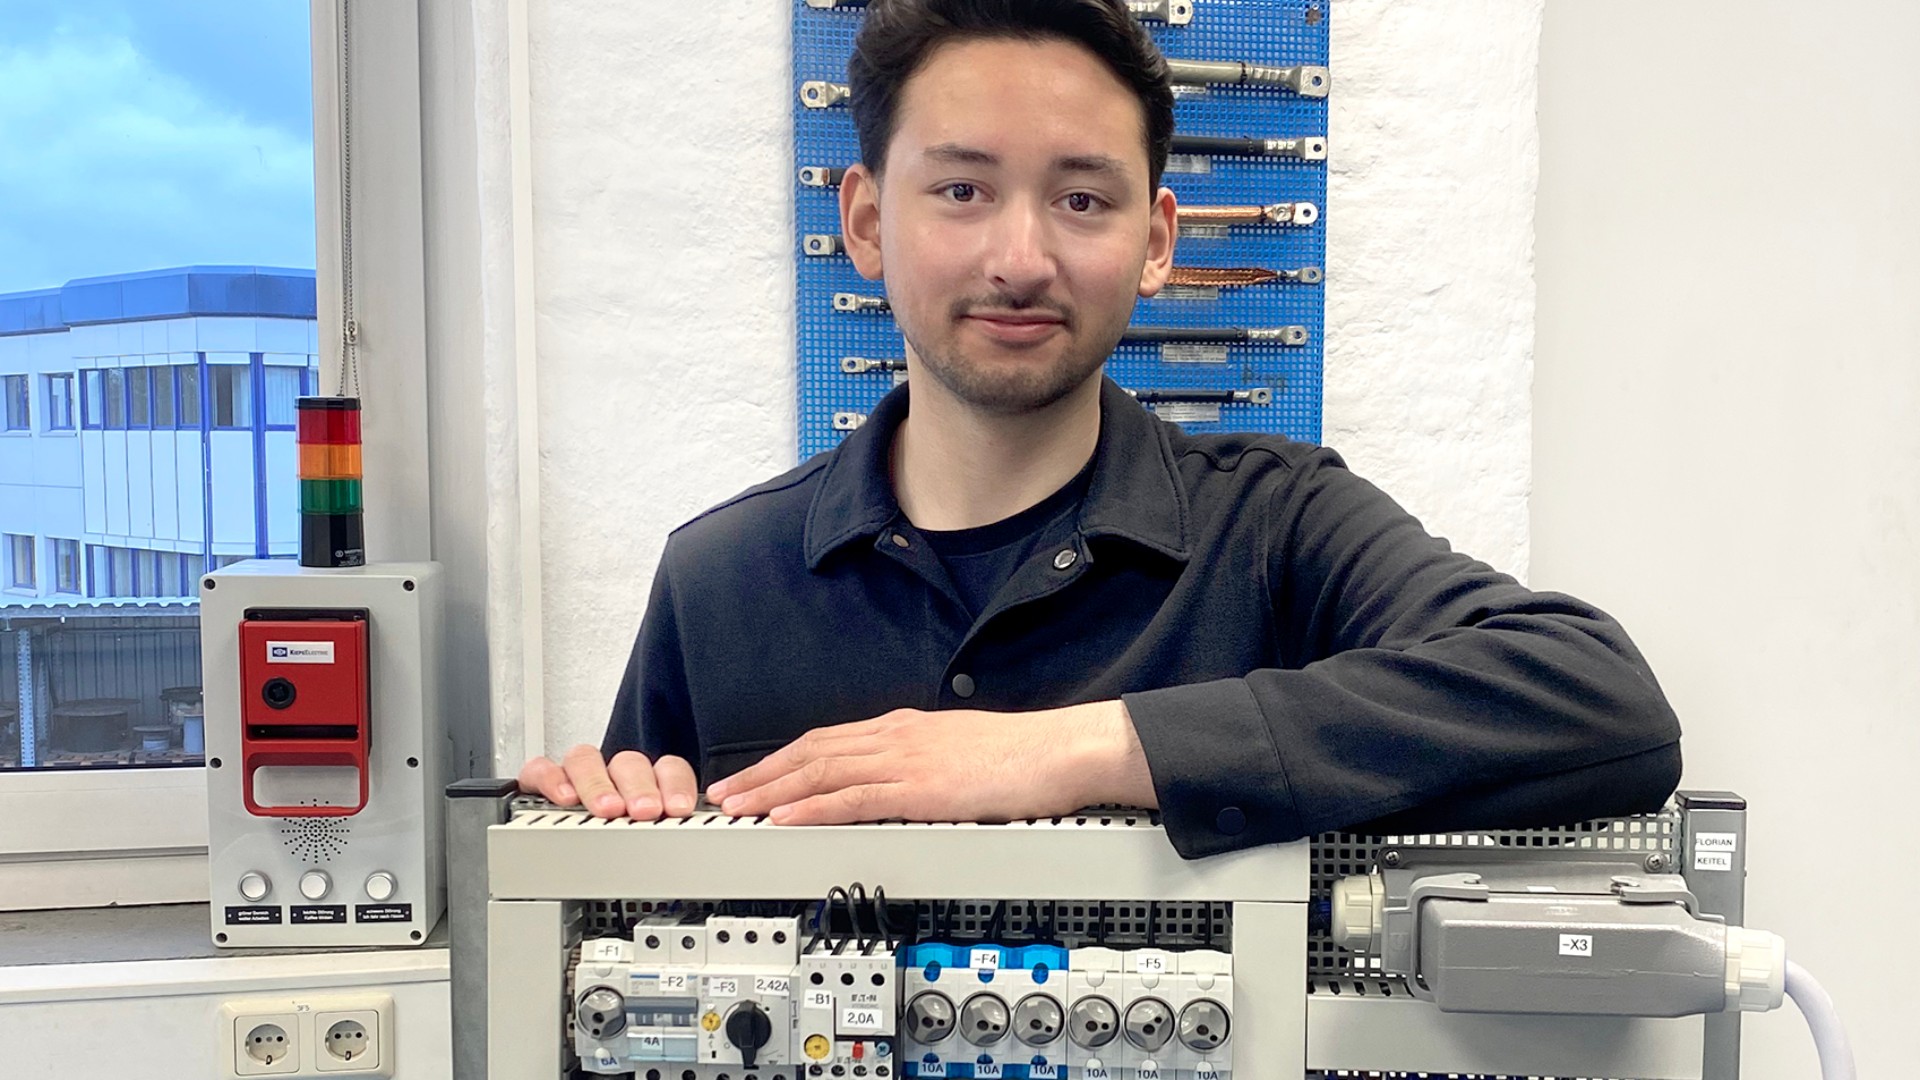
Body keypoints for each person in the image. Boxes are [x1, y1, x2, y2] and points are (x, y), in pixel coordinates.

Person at [518, 0, 1681, 859]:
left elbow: (1598, 702)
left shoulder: (1278, 528)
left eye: (1082, 199)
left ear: (1158, 242)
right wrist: (621, 806)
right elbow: (628, 944)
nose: (1021, 259)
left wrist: (1082, 750)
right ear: (868, 223)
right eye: (962, 190)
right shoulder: (721, 581)